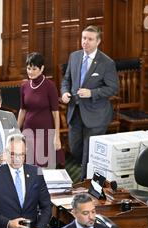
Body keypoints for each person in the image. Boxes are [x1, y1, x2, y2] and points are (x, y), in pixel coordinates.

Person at [61, 25, 118, 181]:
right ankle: (84, 174)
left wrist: (92, 93)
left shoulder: (106, 63)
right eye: (84, 38)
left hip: (96, 115)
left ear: (98, 41)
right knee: (75, 147)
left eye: (90, 39)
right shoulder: (74, 56)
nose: (85, 42)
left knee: (88, 151)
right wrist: (64, 92)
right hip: (75, 111)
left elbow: (113, 88)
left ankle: (83, 184)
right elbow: (66, 80)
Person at [17, 52, 62, 168]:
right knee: (27, 166)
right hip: (28, 131)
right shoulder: (24, 86)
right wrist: (16, 131)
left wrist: (57, 137)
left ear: (42, 68)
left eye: (34, 69)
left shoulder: (50, 86)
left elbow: (56, 113)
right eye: (28, 68)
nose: (30, 72)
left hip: (45, 132)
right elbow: (22, 110)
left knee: (44, 167)